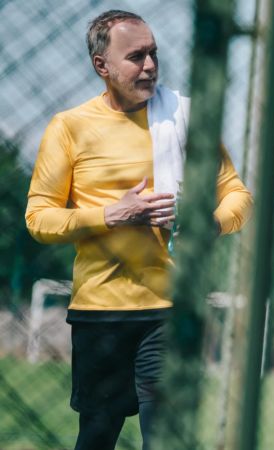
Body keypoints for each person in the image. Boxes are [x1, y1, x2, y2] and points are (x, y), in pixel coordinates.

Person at [25, 10, 252, 450]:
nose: (150, 66)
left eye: (153, 54)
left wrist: (208, 223)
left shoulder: (185, 119)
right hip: (100, 311)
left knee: (164, 439)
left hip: (171, 307)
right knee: (97, 437)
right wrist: (109, 215)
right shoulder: (69, 127)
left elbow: (238, 196)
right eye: (135, 57)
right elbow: (38, 218)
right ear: (101, 66)